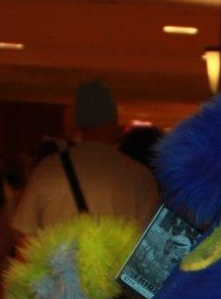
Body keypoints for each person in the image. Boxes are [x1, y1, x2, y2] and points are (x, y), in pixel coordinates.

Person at [10, 80, 159, 239]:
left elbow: (24, 232)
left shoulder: (48, 169)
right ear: (114, 119)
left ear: (78, 121)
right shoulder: (139, 176)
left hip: (56, 254)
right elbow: (151, 239)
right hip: (117, 255)